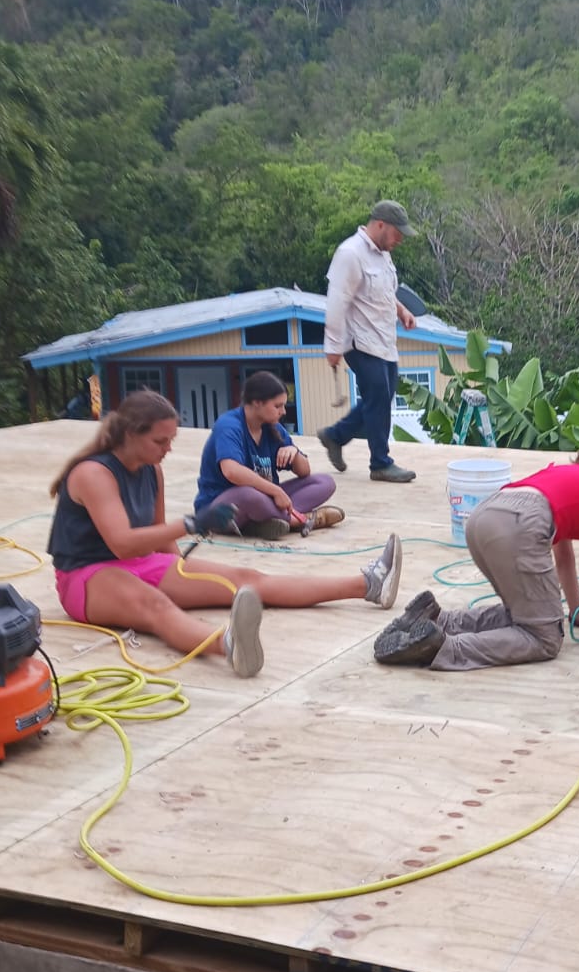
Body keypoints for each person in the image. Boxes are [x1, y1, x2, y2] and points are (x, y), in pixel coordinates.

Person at [47, 390, 403, 678]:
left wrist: (181, 571)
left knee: (248, 579)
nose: (168, 449)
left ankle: (368, 584)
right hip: (87, 575)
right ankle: (229, 645)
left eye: (171, 439)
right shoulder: (93, 474)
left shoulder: (152, 470)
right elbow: (122, 543)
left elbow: (157, 533)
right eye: (160, 441)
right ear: (130, 435)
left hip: (142, 563)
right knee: (156, 606)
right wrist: (192, 523)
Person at [373, 451, 579, 671]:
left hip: (482, 517)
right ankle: (441, 647)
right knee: (545, 638)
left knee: (525, 616)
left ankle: (439, 619)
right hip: (523, 524)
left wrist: (578, 613)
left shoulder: (564, 476)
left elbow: (564, 559)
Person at [318, 200, 420, 484]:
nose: (399, 239)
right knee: (378, 398)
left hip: (384, 340)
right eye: (397, 233)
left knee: (381, 398)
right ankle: (380, 463)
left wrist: (402, 310)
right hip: (359, 341)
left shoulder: (383, 255)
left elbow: (385, 292)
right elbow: (337, 302)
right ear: (380, 225)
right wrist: (333, 346)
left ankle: (335, 435)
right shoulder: (350, 254)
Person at [193, 371, 344, 540]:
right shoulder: (229, 426)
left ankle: (265, 522)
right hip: (222, 507)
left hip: (266, 500)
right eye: (277, 406)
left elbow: (304, 472)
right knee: (248, 495)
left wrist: (294, 453)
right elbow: (231, 471)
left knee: (324, 482)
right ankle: (301, 520)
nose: (283, 411)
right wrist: (275, 490)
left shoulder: (272, 427)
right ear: (257, 403)